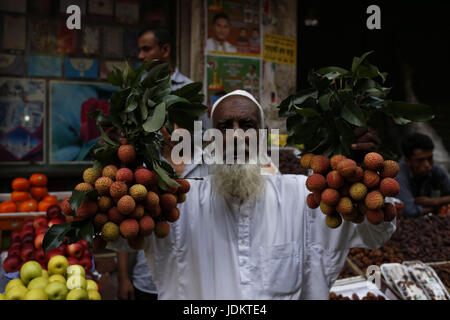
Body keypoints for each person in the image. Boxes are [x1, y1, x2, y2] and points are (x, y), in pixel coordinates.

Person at [109, 90, 395, 299]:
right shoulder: (180, 203)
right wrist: (119, 169)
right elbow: (120, 237)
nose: (236, 136)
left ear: (263, 137)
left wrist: (365, 174)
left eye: (246, 125)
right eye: (224, 127)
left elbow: (374, 233)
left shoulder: (301, 197)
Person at [117, 27, 209, 301]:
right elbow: (126, 209)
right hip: (151, 271)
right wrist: (123, 276)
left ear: (165, 50)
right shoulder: (136, 94)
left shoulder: (202, 171)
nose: (141, 55)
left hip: (192, 275)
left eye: (147, 49)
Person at [396, 133, 450, 217]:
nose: (427, 165)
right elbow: (408, 211)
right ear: (407, 161)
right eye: (420, 160)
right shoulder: (399, 175)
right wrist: (438, 206)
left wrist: (434, 201)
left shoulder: (434, 169)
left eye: (429, 158)